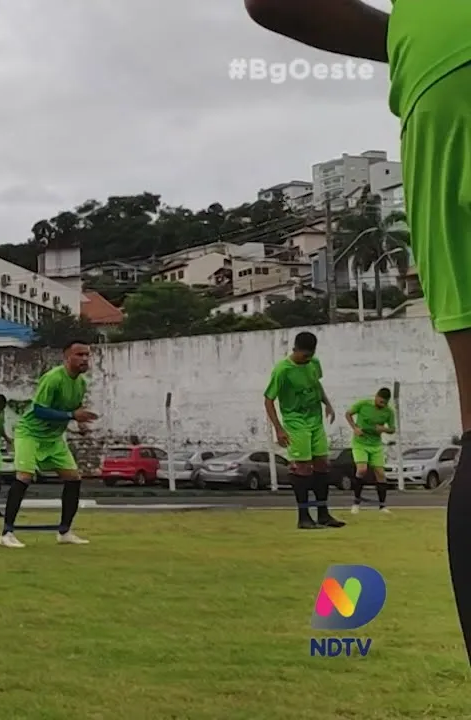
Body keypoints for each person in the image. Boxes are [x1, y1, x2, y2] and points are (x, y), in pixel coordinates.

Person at [243, 0, 471, 663]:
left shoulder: (325, 381)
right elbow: (271, 394)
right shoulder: (288, 369)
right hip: (306, 428)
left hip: (432, 66)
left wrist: (406, 32)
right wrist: (283, 427)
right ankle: (308, 511)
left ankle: (321, 510)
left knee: (332, 469)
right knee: (314, 470)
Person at [0, 342, 98, 549]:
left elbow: (76, 406)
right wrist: (72, 415)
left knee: (73, 478)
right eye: (79, 354)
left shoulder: (81, 383)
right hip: (30, 434)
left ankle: (65, 531)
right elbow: (39, 410)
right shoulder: (53, 378)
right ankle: (7, 532)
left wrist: (80, 423)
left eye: (87, 355)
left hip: (54, 438)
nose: (85, 359)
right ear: (67, 357)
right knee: (24, 476)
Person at [263, 331, 345, 530]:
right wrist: (279, 429)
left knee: (322, 465)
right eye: (303, 355)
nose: (306, 359)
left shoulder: (313, 363)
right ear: (295, 350)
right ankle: (303, 516)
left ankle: (323, 513)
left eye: (310, 355)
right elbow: (268, 400)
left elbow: (316, 384)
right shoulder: (282, 370)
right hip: (295, 421)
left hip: (315, 420)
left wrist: (327, 403)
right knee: (302, 467)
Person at [346, 387, 396, 514]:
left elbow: (392, 429)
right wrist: (354, 428)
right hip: (360, 443)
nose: (382, 405)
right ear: (376, 397)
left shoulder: (389, 412)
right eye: (380, 402)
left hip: (376, 445)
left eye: (385, 403)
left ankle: (382, 506)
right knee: (362, 469)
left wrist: (383, 429)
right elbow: (348, 414)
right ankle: (356, 502)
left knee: (380, 473)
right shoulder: (363, 404)